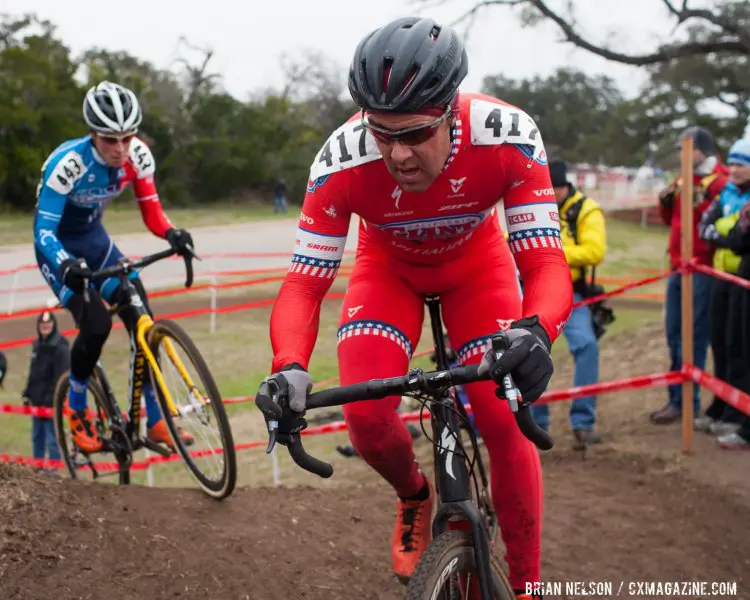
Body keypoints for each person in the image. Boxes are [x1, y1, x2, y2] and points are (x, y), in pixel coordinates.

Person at [255, 17, 573, 597]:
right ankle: (413, 496)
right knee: (368, 417)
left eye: (417, 133)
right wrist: (288, 366)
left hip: (479, 270)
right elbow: (303, 285)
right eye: (383, 133)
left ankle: (527, 584)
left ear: (453, 110)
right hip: (389, 272)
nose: (398, 154)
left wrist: (536, 330)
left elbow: (547, 266)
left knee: (503, 418)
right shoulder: (340, 160)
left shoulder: (507, 135)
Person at [33, 81, 195, 454]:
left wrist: (172, 233)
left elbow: (151, 210)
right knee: (96, 325)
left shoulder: (138, 157)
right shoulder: (68, 165)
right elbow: (43, 229)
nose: (120, 148)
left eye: (126, 137)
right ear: (92, 135)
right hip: (57, 248)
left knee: (143, 318)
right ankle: (76, 410)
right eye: (110, 140)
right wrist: (63, 263)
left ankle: (155, 420)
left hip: (95, 242)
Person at [651, 126, 728, 425]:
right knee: (674, 335)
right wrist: (666, 199)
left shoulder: (718, 182)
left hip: (701, 268)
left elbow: (716, 223)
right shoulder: (684, 179)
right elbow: (670, 218)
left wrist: (703, 201)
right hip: (677, 265)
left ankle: (688, 402)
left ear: (701, 149)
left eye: (688, 149)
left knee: (693, 337)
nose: (684, 155)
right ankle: (676, 398)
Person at [531, 160, 605, 445]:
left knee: (587, 346)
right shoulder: (532, 205)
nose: (548, 194)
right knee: (531, 351)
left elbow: (594, 251)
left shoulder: (586, 209)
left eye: (553, 189)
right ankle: (538, 424)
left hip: (571, 291)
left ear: (564, 187)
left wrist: (550, 251)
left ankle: (583, 422)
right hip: (533, 289)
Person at [696, 138, 750, 436]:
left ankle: (737, 412)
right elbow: (704, 226)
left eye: (742, 164)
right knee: (720, 345)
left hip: (743, 278)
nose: (735, 170)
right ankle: (721, 402)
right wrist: (725, 232)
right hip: (722, 275)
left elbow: (737, 236)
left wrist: (723, 232)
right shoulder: (726, 192)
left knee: (739, 346)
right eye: (733, 163)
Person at [22, 311, 69, 469]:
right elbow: (33, 373)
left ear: (53, 325)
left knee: (52, 438)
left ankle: (54, 473)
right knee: (37, 437)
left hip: (51, 402)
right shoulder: (37, 346)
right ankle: (38, 468)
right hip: (37, 402)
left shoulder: (61, 347)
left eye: (48, 324)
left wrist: (53, 399)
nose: (45, 327)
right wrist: (27, 393)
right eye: (42, 325)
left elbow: (61, 377)